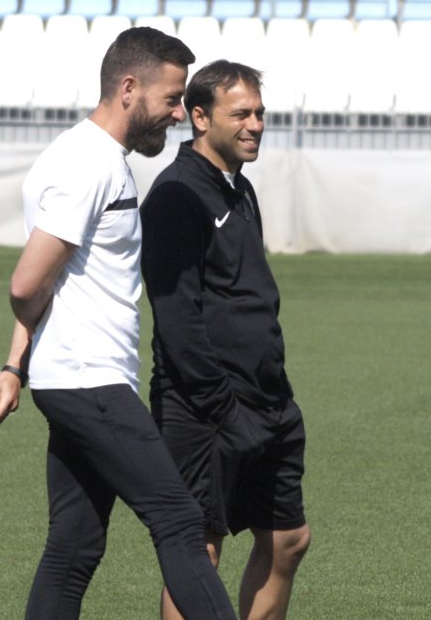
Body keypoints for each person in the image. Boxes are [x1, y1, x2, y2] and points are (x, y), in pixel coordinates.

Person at [0, 28, 236, 620]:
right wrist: (25, 355)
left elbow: (50, 278)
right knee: (178, 518)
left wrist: (14, 364)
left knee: (74, 548)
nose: (178, 114)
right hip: (88, 380)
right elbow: (26, 282)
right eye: (171, 99)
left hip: (73, 379)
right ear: (128, 88)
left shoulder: (90, 157)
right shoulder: (86, 164)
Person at [140, 60, 312, 620]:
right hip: (204, 408)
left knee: (288, 539)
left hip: (267, 398)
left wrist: (272, 392)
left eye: (260, 112)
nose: (255, 124)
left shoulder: (240, 189)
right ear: (198, 116)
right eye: (240, 113)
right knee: (199, 550)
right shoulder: (175, 197)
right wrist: (223, 408)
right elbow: (178, 320)